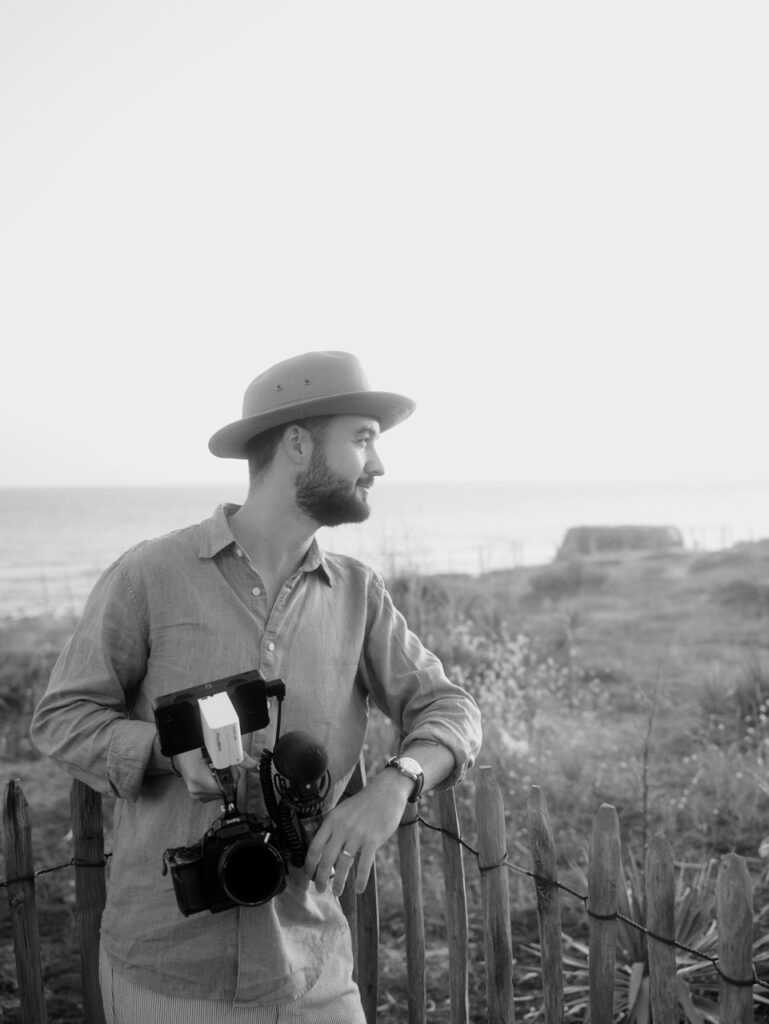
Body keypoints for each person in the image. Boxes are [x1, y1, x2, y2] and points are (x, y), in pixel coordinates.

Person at [31, 350, 482, 1024]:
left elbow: (452, 706)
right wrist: (164, 750)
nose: (379, 465)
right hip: (166, 972)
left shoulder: (359, 593)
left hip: (313, 972)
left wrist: (397, 782)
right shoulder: (151, 573)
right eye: (362, 439)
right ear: (298, 443)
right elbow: (61, 716)